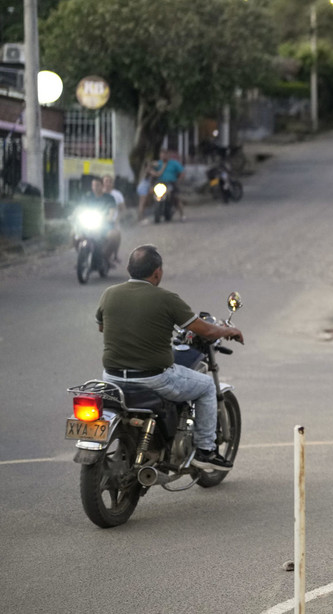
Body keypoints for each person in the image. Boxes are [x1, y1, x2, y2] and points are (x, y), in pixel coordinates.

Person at [96, 245, 244, 471]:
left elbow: (102, 326)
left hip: (112, 377)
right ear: (157, 272)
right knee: (205, 386)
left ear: (128, 268)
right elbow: (207, 331)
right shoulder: (166, 299)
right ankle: (205, 451)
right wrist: (229, 331)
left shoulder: (109, 293)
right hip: (152, 379)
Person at [77, 178, 122, 267]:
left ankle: (105, 257)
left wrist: (109, 217)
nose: (95, 188)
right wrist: (75, 216)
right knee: (74, 234)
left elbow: (112, 212)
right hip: (88, 224)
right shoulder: (87, 197)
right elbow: (79, 209)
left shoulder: (109, 198)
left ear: (102, 186)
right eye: (93, 185)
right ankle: (82, 257)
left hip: (104, 225)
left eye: (97, 185)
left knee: (114, 235)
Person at [150, 150, 186, 220]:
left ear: (168, 155)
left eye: (164, 154)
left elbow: (182, 172)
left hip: (171, 183)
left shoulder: (174, 163)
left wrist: (179, 180)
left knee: (176, 198)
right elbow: (150, 169)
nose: (163, 156)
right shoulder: (158, 164)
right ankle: (155, 209)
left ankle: (182, 214)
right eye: (161, 154)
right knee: (153, 193)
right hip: (160, 183)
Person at [102, 174, 126, 262]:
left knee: (116, 234)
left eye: (110, 182)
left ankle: (115, 255)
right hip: (100, 220)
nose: (107, 184)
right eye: (105, 181)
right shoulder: (98, 194)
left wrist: (117, 219)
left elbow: (123, 209)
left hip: (113, 221)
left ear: (112, 184)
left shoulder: (117, 195)